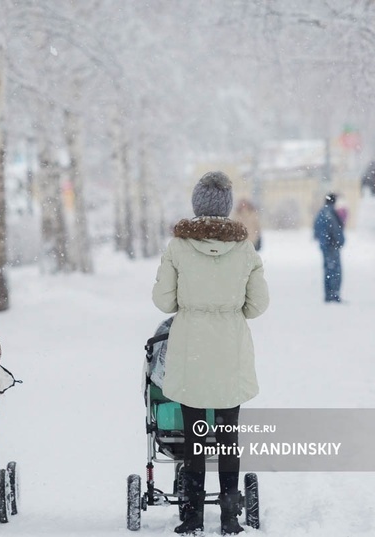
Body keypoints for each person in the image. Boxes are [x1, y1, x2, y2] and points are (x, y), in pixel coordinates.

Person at [152, 171, 269, 535]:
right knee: (228, 437)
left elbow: (163, 300)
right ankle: (230, 517)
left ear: (197, 204)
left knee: (194, 439)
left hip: (192, 351)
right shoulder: (245, 249)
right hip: (229, 350)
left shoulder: (178, 248)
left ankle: (191, 518)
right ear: (227, 205)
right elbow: (258, 305)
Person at [313, 193, 346, 303]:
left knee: (328, 270)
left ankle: (329, 294)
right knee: (334, 270)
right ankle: (333, 294)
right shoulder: (330, 213)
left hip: (326, 245)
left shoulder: (322, 212)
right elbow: (336, 230)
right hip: (331, 246)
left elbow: (316, 228)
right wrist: (339, 241)